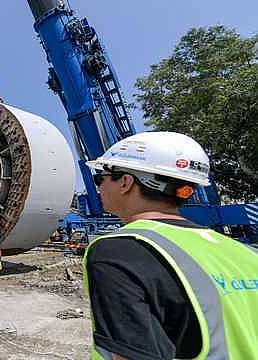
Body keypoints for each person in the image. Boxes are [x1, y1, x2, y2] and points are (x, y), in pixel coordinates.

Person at [83, 131, 258, 360]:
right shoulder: (245, 253)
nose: (98, 187)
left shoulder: (120, 251)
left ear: (125, 182)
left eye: (101, 178)